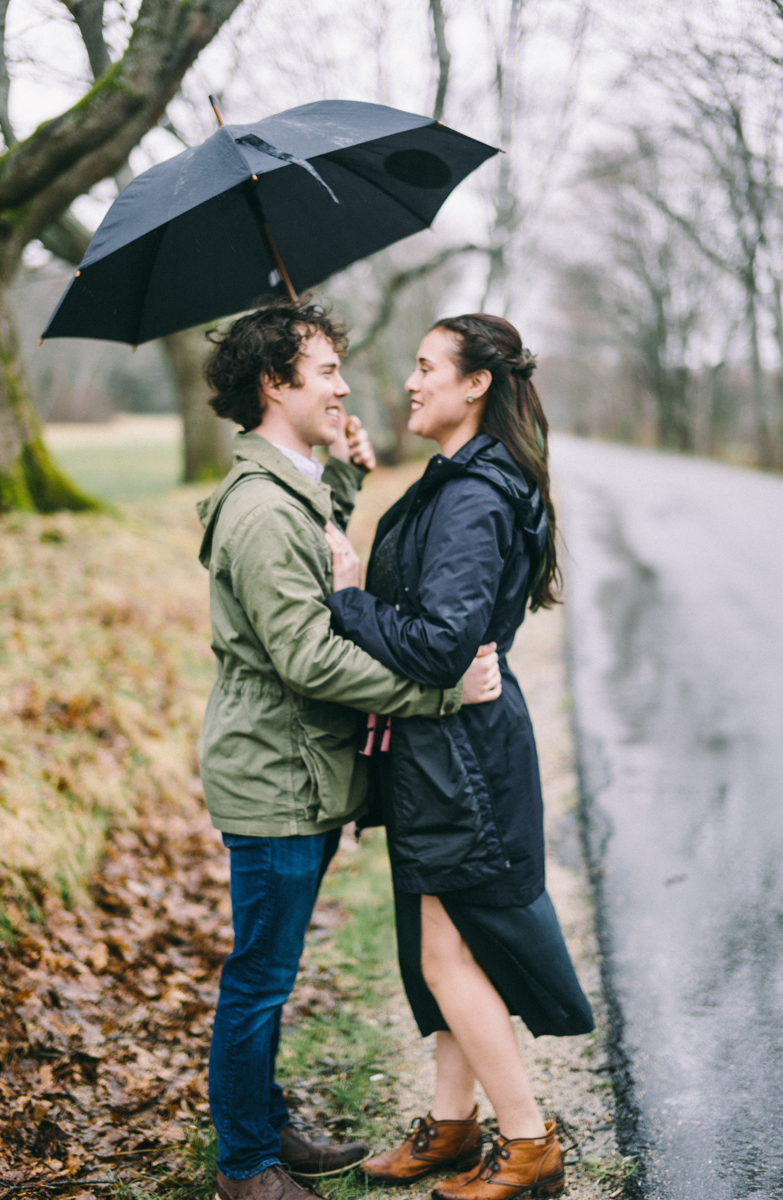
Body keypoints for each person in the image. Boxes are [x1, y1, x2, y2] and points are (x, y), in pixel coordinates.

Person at [195, 303, 501, 1200]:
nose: (343, 385)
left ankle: (266, 1123)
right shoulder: (256, 507)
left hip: (303, 772)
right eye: (324, 370)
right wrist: (441, 692)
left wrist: (341, 474)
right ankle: (245, 1163)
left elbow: (314, 553)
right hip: (274, 777)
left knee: (275, 967)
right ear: (273, 384)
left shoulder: (290, 482)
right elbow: (309, 652)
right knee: (260, 975)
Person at [324, 313, 594, 1200]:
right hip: (447, 748)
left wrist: (350, 598)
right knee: (443, 949)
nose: (410, 380)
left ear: (476, 383)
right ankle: (452, 1125)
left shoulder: (476, 493)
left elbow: (442, 644)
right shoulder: (463, 480)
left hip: (461, 758)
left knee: (448, 954)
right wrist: (348, 475)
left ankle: (528, 1142)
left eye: (426, 365)